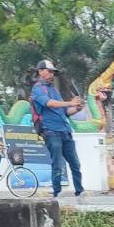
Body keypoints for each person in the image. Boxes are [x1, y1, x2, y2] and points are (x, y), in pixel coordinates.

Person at [30, 59, 85, 199]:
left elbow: (65, 112)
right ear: (40, 71)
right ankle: (57, 192)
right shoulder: (37, 89)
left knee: (75, 163)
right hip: (51, 131)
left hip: (65, 130)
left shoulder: (54, 90)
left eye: (53, 72)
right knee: (57, 163)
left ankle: (80, 191)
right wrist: (70, 102)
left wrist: (77, 108)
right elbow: (50, 104)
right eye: (49, 71)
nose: (52, 75)